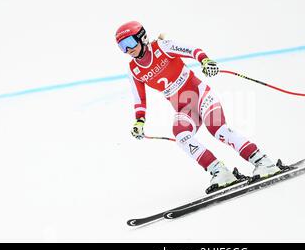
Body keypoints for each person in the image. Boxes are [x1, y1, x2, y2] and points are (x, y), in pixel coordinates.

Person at [116, 21, 283, 193]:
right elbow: (140, 99)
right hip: (184, 108)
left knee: (218, 129)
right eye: (122, 47)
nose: (128, 50)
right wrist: (139, 122)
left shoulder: (162, 46)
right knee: (181, 135)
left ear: (142, 37)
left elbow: (192, 50)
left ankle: (264, 162)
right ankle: (220, 172)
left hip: (201, 95)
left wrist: (205, 61)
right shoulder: (133, 70)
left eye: (130, 43)